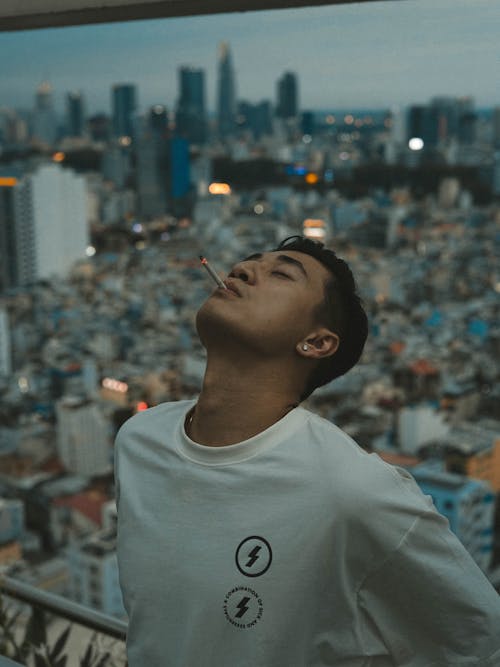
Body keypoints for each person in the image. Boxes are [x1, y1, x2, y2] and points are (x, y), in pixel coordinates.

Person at [114, 235, 500, 666]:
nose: (243, 269)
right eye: (249, 260)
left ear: (316, 342)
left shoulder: (351, 492)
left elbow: (482, 643)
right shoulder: (138, 441)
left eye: (280, 273)